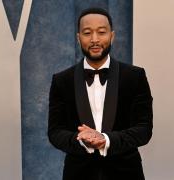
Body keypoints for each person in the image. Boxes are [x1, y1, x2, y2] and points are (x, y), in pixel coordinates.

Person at [48, 7, 153, 180]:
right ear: (78, 38)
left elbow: (143, 129)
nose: (95, 39)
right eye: (87, 33)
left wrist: (106, 139)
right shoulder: (61, 80)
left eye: (101, 32)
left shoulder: (135, 77)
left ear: (112, 36)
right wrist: (81, 140)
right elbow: (55, 132)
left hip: (126, 174)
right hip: (78, 174)